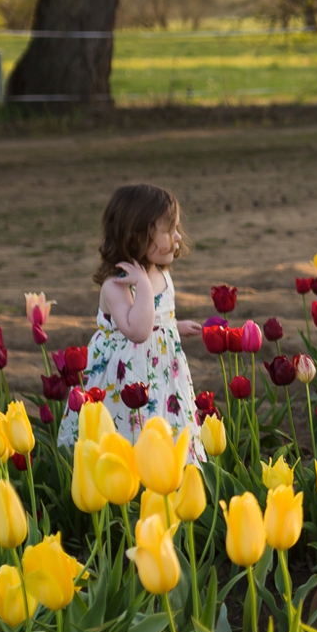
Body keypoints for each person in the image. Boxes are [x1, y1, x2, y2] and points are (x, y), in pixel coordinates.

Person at [56, 183, 202, 451]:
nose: (178, 237)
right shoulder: (117, 286)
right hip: (125, 378)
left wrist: (172, 326)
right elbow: (137, 330)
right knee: (128, 430)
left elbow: (154, 320)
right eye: (170, 231)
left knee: (161, 424)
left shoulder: (159, 273)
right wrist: (143, 286)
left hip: (159, 371)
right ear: (137, 237)